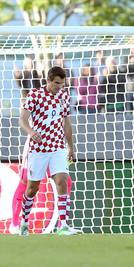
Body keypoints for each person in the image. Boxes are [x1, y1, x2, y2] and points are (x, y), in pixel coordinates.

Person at [19, 66, 78, 236]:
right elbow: (22, 120)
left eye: (62, 84)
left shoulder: (64, 96)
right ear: (49, 81)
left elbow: (66, 123)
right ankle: (24, 222)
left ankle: (63, 225)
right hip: (38, 149)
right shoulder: (35, 95)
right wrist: (31, 132)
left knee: (62, 181)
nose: (59, 87)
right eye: (57, 84)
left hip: (58, 147)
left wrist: (71, 147)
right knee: (32, 188)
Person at [8, 137, 79, 235]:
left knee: (67, 183)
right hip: (36, 151)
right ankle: (15, 224)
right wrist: (24, 160)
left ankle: (62, 226)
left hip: (53, 151)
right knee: (25, 183)